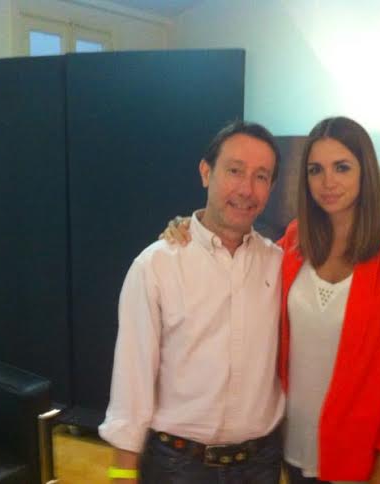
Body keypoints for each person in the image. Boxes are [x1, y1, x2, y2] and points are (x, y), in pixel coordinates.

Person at [162, 116, 380, 484]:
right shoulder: (295, 239)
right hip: (288, 446)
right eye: (315, 170)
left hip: (358, 458)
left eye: (342, 167)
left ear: (365, 172)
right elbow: (242, 258)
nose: (328, 182)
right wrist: (190, 226)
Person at [99, 120, 287, 484]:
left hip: (260, 464)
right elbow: (132, 380)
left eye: (261, 176)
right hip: (178, 467)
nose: (246, 189)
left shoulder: (280, 265)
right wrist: (122, 472)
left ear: (271, 187)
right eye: (235, 171)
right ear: (206, 172)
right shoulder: (156, 265)